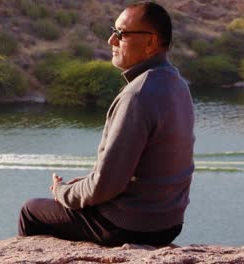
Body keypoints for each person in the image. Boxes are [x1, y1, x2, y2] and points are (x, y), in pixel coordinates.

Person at [18, 1, 195, 247]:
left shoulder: (138, 95)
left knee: (31, 210)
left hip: (130, 226)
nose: (111, 40)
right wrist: (81, 185)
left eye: (121, 34)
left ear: (150, 42)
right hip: (169, 223)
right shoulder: (177, 85)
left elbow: (105, 186)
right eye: (114, 31)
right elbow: (133, 172)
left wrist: (62, 193)